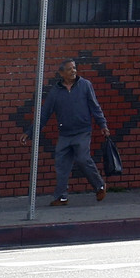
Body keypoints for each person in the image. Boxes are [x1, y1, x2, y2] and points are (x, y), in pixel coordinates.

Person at [37, 58, 109, 206]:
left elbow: (95, 107)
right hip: (65, 134)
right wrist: (31, 132)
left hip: (82, 131)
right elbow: (44, 114)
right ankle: (61, 197)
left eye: (74, 68)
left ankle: (99, 185)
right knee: (62, 165)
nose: (73, 71)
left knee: (83, 158)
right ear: (61, 73)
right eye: (69, 69)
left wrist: (103, 124)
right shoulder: (56, 92)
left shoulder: (85, 85)